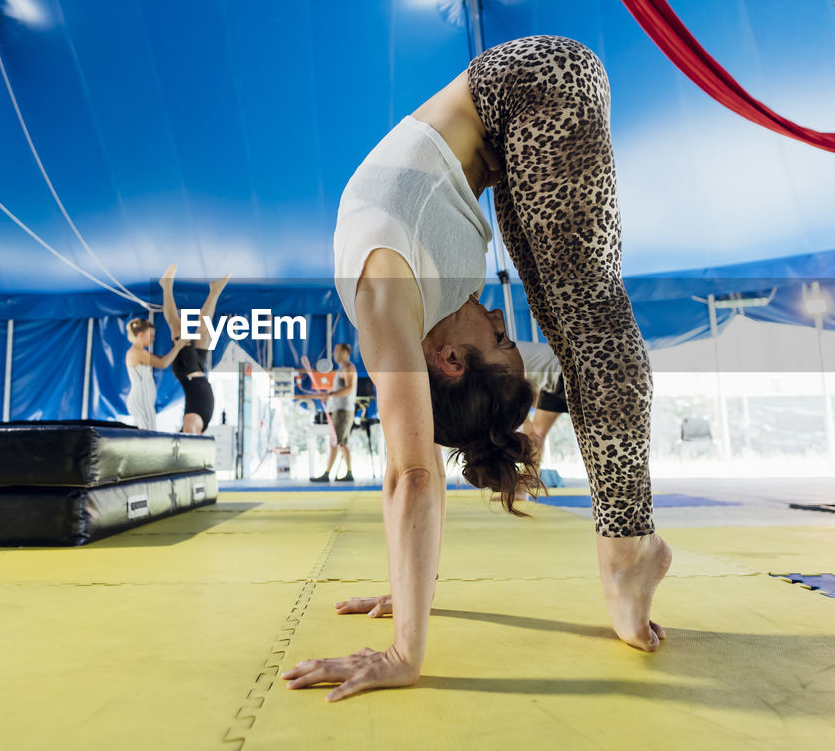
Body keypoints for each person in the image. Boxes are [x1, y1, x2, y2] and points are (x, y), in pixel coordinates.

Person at [283, 36, 669, 702]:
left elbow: (409, 472)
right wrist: (411, 593)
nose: (496, 316)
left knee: (595, 321)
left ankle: (630, 548)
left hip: (531, 86)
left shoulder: (384, 294)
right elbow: (411, 471)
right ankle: (629, 545)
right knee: (575, 335)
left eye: (497, 336)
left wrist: (407, 649)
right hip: (516, 121)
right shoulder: (420, 312)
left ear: (453, 361)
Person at [160, 266, 228, 434]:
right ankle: (215, 291)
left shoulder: (190, 428)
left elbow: (188, 435)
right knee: (205, 329)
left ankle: (166, 286)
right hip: (198, 370)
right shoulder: (200, 429)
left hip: (188, 370)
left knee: (177, 326)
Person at [125, 281, 187, 431]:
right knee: (146, 432)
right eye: (150, 335)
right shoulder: (137, 353)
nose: (153, 339)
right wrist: (178, 346)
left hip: (143, 397)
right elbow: (163, 363)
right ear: (140, 334)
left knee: (146, 430)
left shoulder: (140, 352)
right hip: (141, 398)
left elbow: (160, 359)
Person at [303, 343, 358, 482]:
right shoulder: (342, 370)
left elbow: (349, 389)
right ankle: (348, 472)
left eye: (336, 351)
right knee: (341, 442)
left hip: (343, 410)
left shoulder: (348, 368)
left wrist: (331, 394)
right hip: (338, 410)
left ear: (345, 352)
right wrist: (330, 394)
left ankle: (327, 474)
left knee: (336, 442)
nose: (334, 354)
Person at [515, 339, 568, 474]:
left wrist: (526, 423)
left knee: (534, 434)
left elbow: (516, 390)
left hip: (562, 373)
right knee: (535, 434)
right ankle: (526, 486)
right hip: (555, 375)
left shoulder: (492, 359)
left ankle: (525, 486)